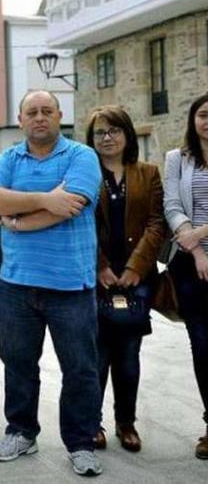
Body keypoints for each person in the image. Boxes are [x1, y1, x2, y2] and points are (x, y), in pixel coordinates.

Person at [0, 90, 103, 476]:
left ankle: (82, 442)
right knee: (18, 363)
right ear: (20, 119)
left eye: (46, 111)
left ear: (59, 115)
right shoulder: (6, 159)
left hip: (70, 285)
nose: (39, 118)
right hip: (16, 285)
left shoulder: (81, 156)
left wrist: (17, 219)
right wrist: (45, 198)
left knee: (80, 368)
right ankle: (21, 432)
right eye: (32, 112)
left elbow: (70, 208)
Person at [85, 106, 165, 453]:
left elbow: (157, 223)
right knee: (96, 355)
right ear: (91, 139)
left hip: (137, 277)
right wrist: (99, 265)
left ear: (127, 135)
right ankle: (92, 423)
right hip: (94, 276)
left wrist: (135, 267)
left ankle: (126, 422)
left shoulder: (148, 173)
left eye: (114, 131)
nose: (107, 137)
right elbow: (80, 222)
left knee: (129, 356)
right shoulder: (83, 173)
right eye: (100, 132)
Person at [163, 92, 208, 460]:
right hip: (190, 266)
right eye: (203, 115)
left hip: (198, 242)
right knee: (202, 346)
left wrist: (201, 234)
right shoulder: (177, 159)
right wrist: (195, 250)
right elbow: (171, 205)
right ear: (193, 120)